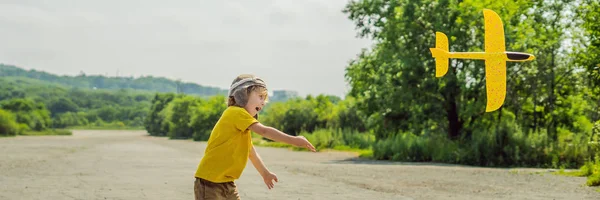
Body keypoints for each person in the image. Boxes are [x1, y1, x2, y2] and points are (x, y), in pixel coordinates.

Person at [194, 74, 316, 200]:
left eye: (265, 99)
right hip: (209, 182)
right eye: (260, 97)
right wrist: (293, 140)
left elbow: (251, 152)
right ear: (243, 94)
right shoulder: (235, 112)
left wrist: (265, 173)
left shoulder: (242, 125)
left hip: (227, 183)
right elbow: (263, 131)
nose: (263, 103)